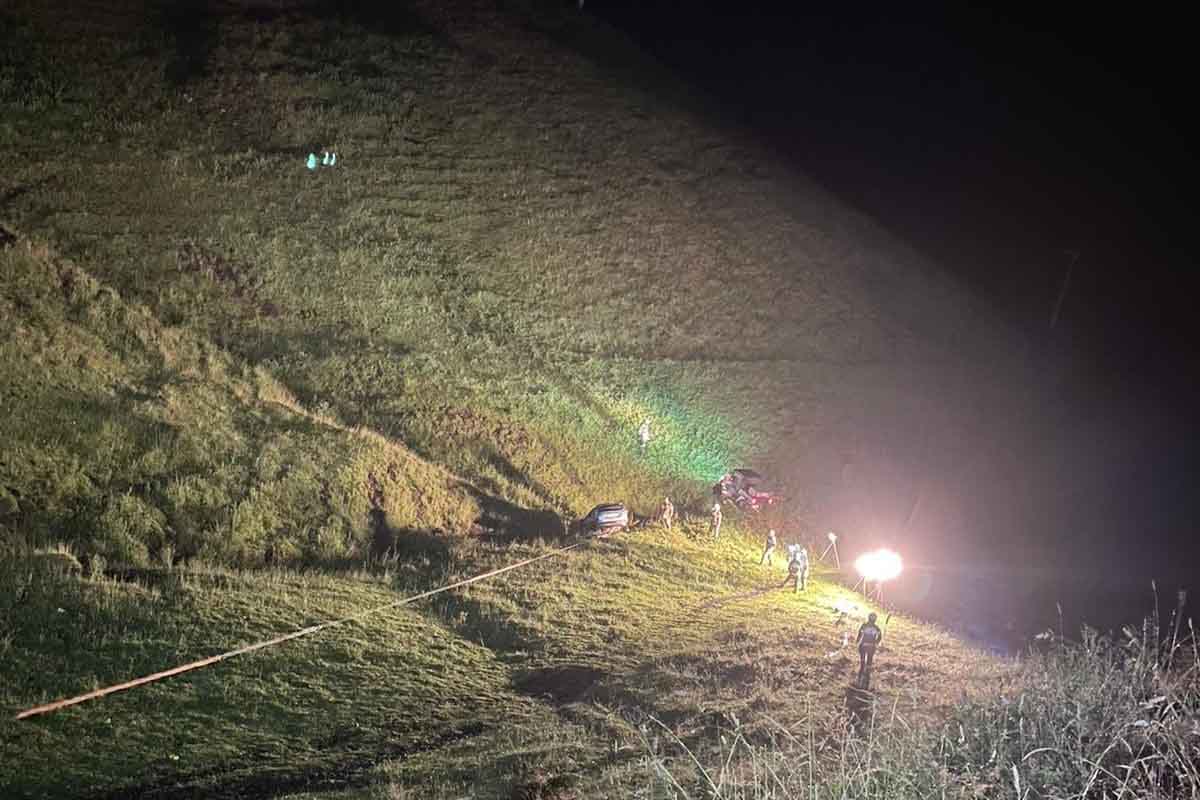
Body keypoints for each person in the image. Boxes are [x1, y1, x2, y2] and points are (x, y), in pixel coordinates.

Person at [856, 612, 883, 680]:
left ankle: (865, 675)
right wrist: (858, 640)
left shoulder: (874, 627)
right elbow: (860, 633)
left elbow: (880, 637)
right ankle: (862, 675)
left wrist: (876, 642)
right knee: (864, 662)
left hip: (869, 646)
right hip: (865, 646)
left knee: (868, 662)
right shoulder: (867, 626)